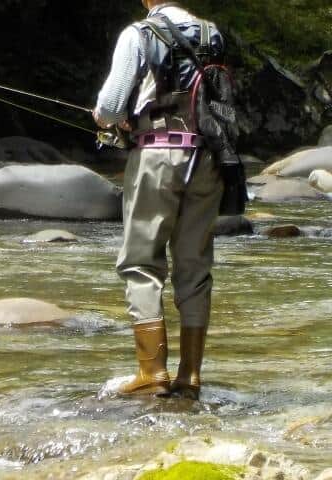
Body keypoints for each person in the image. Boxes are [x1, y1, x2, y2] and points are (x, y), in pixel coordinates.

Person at [93, 0, 225, 399]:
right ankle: (190, 376)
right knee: (194, 264)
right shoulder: (211, 34)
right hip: (208, 157)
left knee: (141, 262)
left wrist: (104, 119)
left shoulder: (138, 34)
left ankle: (152, 373)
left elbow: (111, 106)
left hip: (156, 154)